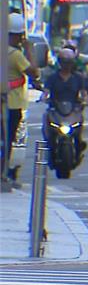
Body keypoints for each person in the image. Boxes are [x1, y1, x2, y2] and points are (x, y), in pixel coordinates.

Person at [5, 13, 40, 181]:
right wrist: (30, 50)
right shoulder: (15, 55)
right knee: (9, 139)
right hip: (12, 104)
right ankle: (5, 171)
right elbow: (34, 72)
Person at [41, 48, 88, 157]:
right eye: (64, 62)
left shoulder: (78, 77)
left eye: (69, 62)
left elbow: (83, 92)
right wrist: (44, 97)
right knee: (47, 119)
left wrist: (85, 100)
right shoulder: (52, 78)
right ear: (59, 62)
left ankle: (78, 143)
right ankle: (50, 144)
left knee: (79, 122)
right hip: (56, 109)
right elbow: (46, 91)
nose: (66, 65)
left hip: (72, 110)